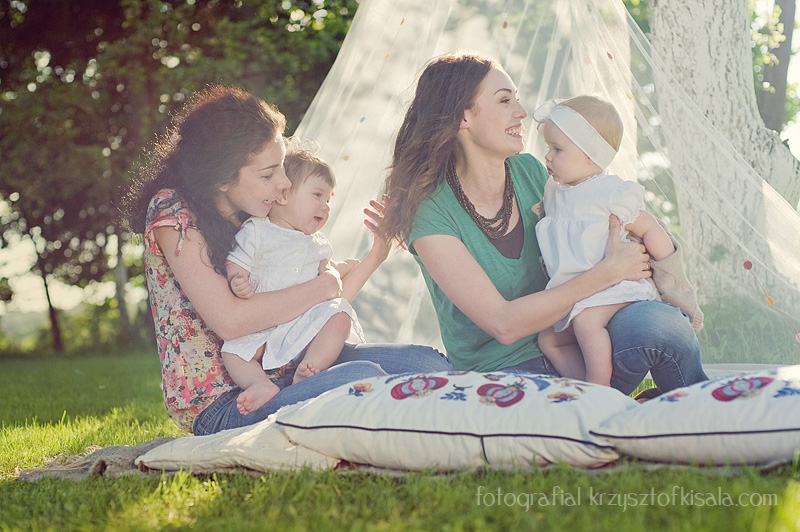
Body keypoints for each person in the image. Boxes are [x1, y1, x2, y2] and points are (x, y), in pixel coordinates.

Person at [123, 84, 452, 435]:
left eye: (281, 167)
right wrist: (323, 285)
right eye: (268, 175)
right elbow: (231, 322)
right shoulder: (173, 213)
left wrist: (370, 258)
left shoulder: (263, 217)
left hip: (295, 363)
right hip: (226, 402)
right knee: (364, 378)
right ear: (221, 178)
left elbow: (325, 306)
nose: (283, 184)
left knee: (427, 362)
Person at [380, 51, 707, 395]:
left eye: (517, 99)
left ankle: (704, 415)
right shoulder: (431, 211)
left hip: (584, 343)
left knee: (662, 325)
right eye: (505, 100)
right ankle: (614, 412)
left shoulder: (533, 172)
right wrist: (608, 272)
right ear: (463, 116)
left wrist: (634, 260)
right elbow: (503, 325)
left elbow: (596, 222)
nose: (521, 112)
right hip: (509, 374)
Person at [222, 147, 387, 415]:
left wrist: (349, 266)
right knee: (233, 353)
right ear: (284, 195)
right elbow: (236, 262)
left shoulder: (318, 244)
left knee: (339, 315)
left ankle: (311, 368)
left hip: (300, 329)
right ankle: (259, 384)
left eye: (328, 199)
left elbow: (330, 276)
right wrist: (236, 278)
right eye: (318, 195)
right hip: (259, 326)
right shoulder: (256, 231)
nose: (326, 206)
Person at [531, 95, 678, 386]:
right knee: (549, 339)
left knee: (587, 324)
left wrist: (668, 273)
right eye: (548, 147)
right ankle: (588, 387)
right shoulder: (553, 191)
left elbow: (650, 228)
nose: (547, 156)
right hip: (576, 292)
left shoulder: (610, 192)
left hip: (615, 287)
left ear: (590, 155)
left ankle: (600, 388)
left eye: (557, 149)